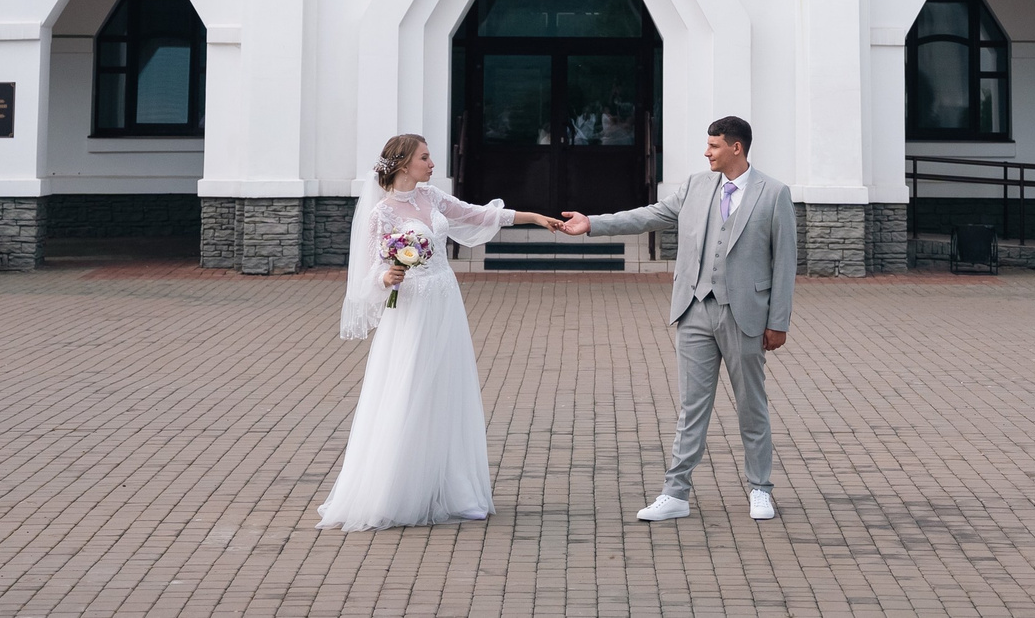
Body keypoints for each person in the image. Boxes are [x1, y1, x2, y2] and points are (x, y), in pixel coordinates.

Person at [317, 133, 560, 530]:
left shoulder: (433, 198)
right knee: (410, 388)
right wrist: (387, 276)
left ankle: (455, 489)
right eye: (425, 158)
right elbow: (369, 273)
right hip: (411, 311)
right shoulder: (382, 213)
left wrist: (533, 217)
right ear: (402, 164)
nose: (432, 164)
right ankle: (395, 491)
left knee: (448, 390)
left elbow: (480, 215)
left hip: (445, 302)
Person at [563, 115, 794, 521]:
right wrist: (592, 225)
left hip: (745, 315)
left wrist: (779, 321)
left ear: (736, 147)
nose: (706, 152)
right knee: (691, 408)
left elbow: (784, 264)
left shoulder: (773, 193)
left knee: (751, 406)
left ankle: (760, 489)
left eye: (714, 145)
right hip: (693, 309)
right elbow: (649, 215)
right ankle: (675, 493)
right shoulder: (694, 186)